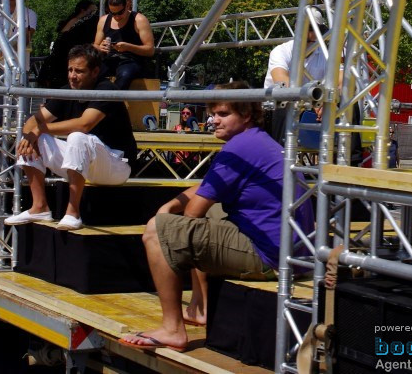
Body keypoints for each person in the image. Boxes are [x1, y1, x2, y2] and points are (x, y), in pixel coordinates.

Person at [119, 82, 314, 353]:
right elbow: (204, 189)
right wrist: (168, 205)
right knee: (207, 213)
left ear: (246, 115)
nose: (213, 121)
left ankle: (172, 329)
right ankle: (202, 307)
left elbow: (192, 212)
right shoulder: (256, 141)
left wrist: (164, 215)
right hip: (294, 256)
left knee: (157, 230)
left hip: (271, 258)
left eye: (223, 114)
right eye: (212, 114)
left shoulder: (238, 148)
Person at [5, 44, 137, 231]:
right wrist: (30, 136)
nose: (72, 75)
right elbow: (33, 122)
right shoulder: (68, 90)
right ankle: (39, 207)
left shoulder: (107, 89)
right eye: (70, 70)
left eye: (79, 71)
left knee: (76, 136)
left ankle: (73, 213)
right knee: (31, 138)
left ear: (95, 72)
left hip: (117, 164)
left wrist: (39, 130)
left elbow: (84, 124)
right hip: (85, 160)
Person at [264, 7, 328, 144]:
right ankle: (280, 155)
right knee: (285, 100)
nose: (311, 34)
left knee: (348, 104)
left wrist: (325, 102)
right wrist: (313, 100)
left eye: (315, 30)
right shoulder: (281, 51)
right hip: (277, 109)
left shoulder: (325, 54)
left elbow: (339, 81)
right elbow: (282, 82)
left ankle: (352, 159)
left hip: (310, 109)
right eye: (308, 29)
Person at [94, 0, 154, 91]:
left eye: (120, 13)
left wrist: (128, 47)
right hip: (109, 59)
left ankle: (111, 103)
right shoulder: (103, 20)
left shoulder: (139, 20)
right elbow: (95, 45)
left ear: (127, 5)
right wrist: (100, 47)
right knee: (90, 73)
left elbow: (150, 50)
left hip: (131, 61)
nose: (117, 17)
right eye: (113, 13)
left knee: (124, 75)